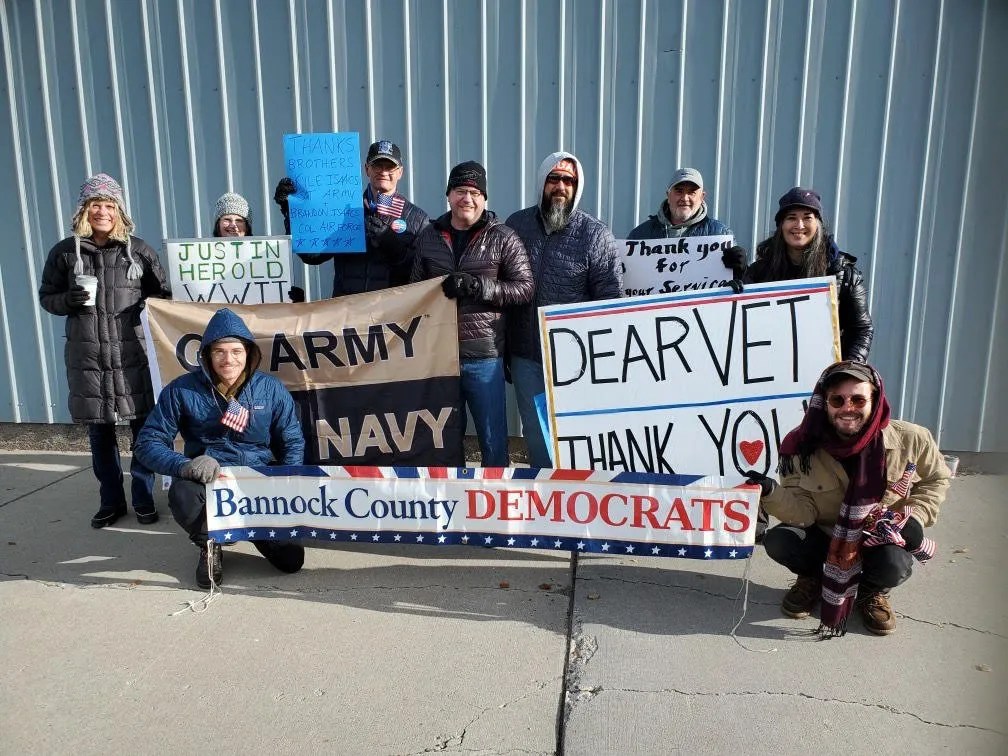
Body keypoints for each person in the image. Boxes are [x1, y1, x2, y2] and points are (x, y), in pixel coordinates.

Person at [746, 361, 950, 637]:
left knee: (894, 564)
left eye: (858, 398)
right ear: (825, 403)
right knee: (780, 540)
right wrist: (771, 492)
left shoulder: (913, 439)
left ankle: (871, 591)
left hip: (880, 535)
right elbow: (803, 512)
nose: (847, 407)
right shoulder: (801, 446)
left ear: (875, 400)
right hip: (826, 534)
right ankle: (812, 579)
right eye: (837, 399)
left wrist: (916, 515)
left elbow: (936, 479)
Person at [135, 307, 306, 589]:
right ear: (206, 355)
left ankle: (260, 531)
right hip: (209, 479)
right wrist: (184, 465)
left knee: (291, 561)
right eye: (220, 352)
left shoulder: (270, 389)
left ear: (249, 353)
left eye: (236, 351)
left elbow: (292, 440)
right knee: (182, 492)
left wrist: (288, 479)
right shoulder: (181, 390)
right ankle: (210, 543)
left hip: (257, 477)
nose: (229, 360)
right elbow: (147, 442)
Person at [38, 173, 171, 529]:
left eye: (109, 204)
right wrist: (68, 299)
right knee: (100, 434)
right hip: (89, 359)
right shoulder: (65, 252)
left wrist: (148, 308)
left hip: (132, 356)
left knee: (144, 432)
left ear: (119, 211)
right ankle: (111, 501)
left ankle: (143, 498)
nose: (102, 211)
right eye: (95, 204)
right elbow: (46, 297)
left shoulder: (139, 250)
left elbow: (164, 296)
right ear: (84, 210)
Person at [410, 160, 533, 467]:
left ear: (485, 199)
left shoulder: (503, 237)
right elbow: (412, 291)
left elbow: (525, 288)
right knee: (445, 441)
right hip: (440, 357)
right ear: (449, 196)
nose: (467, 198)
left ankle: (499, 503)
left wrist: (480, 287)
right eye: (460, 190)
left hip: (484, 358)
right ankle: (451, 505)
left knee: (492, 439)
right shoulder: (429, 237)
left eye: (475, 192)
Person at [504, 151, 623, 468]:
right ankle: (543, 505)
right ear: (542, 182)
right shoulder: (516, 225)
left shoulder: (595, 234)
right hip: (525, 356)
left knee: (573, 438)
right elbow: (502, 285)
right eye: (553, 178)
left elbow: (611, 298)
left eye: (568, 180)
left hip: (574, 361)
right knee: (536, 436)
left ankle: (573, 505)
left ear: (577, 186)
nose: (560, 186)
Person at [274, 139, 429, 298]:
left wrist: (394, 247)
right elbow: (312, 255)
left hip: (392, 313)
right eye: (377, 165)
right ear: (367, 169)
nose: (383, 171)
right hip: (349, 314)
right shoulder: (341, 211)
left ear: (400, 172)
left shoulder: (417, 218)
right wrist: (292, 211)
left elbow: (425, 273)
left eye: (390, 166)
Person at [744, 187, 874, 361]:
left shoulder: (844, 273)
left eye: (807, 218)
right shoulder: (758, 273)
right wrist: (736, 284)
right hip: (771, 371)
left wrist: (846, 370)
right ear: (781, 225)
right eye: (791, 218)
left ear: (818, 224)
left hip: (826, 378)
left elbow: (861, 329)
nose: (799, 225)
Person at [627, 167, 745, 280]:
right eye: (679, 191)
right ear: (668, 195)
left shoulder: (720, 235)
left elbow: (737, 283)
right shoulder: (639, 236)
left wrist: (740, 270)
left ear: (702, 197)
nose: (685, 198)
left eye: (692, 193)